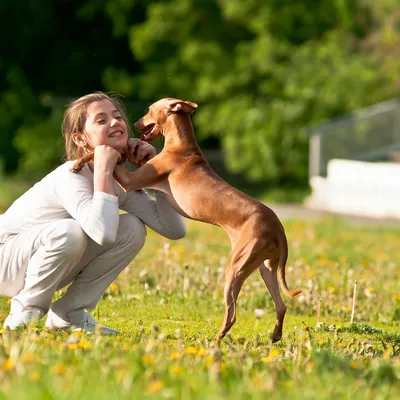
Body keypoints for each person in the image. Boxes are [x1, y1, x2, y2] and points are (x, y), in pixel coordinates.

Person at [0, 92, 186, 334]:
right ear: (79, 139)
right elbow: (103, 234)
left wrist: (156, 173)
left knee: (132, 228)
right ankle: (25, 311)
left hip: (42, 259)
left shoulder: (119, 179)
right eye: (101, 120)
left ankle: (69, 313)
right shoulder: (70, 175)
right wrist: (102, 170)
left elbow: (174, 229)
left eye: (117, 117)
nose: (115, 122)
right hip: (6, 259)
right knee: (70, 231)